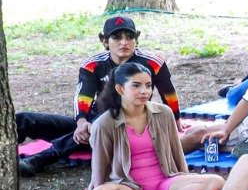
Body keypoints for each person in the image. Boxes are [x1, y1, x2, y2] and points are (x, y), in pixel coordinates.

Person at [18, 14, 181, 175]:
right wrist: (81, 122)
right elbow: (84, 95)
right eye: (117, 37)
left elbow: (168, 93)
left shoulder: (153, 63)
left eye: (129, 37)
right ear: (105, 41)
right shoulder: (93, 65)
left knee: (98, 125)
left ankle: (41, 159)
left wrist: (176, 119)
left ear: (136, 39)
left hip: (131, 125)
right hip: (95, 121)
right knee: (24, 119)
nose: (124, 42)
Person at [85, 63, 223, 190]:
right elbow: (100, 164)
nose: (144, 91)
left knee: (216, 182)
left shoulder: (164, 113)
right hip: (128, 187)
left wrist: (186, 180)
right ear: (120, 89)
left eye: (148, 85)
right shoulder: (104, 124)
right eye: (136, 85)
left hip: (166, 181)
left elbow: (176, 152)